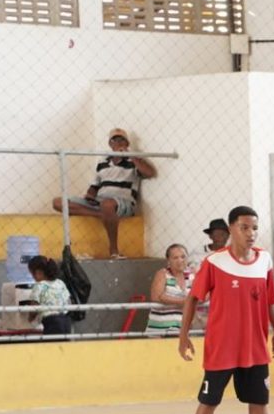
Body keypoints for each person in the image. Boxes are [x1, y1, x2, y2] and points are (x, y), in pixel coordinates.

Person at [177, 206, 274, 414]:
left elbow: (270, 300)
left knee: (259, 403)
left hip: (255, 347)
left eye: (254, 228)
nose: (251, 233)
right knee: (208, 402)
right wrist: (184, 335)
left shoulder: (264, 260)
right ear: (231, 229)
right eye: (244, 227)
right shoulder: (215, 262)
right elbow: (192, 299)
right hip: (222, 347)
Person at [51, 128, 156, 259]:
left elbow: (150, 173)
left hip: (123, 202)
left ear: (127, 143)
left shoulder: (134, 161)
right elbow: (95, 186)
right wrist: (89, 195)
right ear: (110, 144)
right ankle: (101, 214)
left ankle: (114, 250)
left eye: (121, 139)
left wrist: (130, 155)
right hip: (100, 201)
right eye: (114, 140)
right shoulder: (103, 162)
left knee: (107, 205)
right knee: (58, 202)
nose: (118, 143)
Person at [145, 244, 191, 336]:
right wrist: (185, 301)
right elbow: (156, 297)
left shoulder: (192, 275)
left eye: (183, 257)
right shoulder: (162, 274)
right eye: (175, 258)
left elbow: (204, 295)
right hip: (160, 328)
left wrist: (166, 298)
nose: (180, 260)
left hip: (183, 328)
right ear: (168, 260)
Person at [25, 255, 73, 338]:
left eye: (32, 274)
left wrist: (30, 318)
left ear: (38, 272)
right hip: (66, 321)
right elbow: (68, 301)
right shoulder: (60, 282)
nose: (33, 278)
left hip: (52, 323)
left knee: (50, 344)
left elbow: (34, 307)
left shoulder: (39, 286)